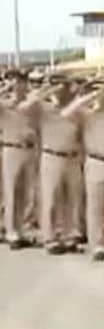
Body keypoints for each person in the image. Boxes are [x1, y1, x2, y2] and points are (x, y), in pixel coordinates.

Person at [63, 76, 104, 261]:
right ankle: (98, 246)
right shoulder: (88, 114)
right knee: (95, 207)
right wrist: (93, 95)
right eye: (103, 91)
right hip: (96, 162)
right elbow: (67, 113)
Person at [21, 74, 83, 255]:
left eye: (64, 86)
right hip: (51, 156)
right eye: (59, 86)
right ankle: (49, 238)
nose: (62, 89)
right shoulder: (43, 107)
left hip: (72, 157)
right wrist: (46, 90)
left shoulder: (76, 109)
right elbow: (24, 107)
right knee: (50, 199)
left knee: (72, 199)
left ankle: (69, 236)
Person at [0, 69, 38, 248]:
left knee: (26, 193)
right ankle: (10, 232)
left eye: (23, 82)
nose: (20, 86)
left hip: (29, 150)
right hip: (11, 149)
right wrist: (7, 88)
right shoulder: (5, 104)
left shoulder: (32, 105)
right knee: (11, 192)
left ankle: (21, 229)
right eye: (17, 82)